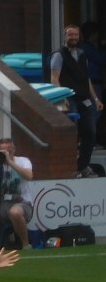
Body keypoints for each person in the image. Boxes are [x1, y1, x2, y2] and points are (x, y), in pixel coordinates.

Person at [50, 24, 103, 178]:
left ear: (79, 37)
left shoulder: (82, 54)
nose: (73, 37)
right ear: (65, 37)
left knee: (90, 132)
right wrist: (61, 97)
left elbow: (87, 79)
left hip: (85, 99)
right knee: (72, 133)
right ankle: (71, 167)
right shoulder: (58, 55)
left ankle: (83, 166)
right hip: (69, 99)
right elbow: (54, 78)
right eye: (70, 35)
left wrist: (95, 98)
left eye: (76, 35)